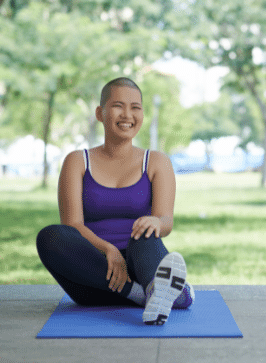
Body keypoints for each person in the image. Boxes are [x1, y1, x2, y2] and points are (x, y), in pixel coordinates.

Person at [36, 77, 193, 325]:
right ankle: (148, 295)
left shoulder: (157, 162)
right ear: (100, 113)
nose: (127, 114)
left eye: (136, 107)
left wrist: (154, 222)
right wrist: (108, 250)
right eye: (118, 106)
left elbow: (166, 221)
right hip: (93, 276)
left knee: (144, 232)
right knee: (50, 237)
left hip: (142, 266)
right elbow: (72, 225)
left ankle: (154, 288)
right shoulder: (77, 161)